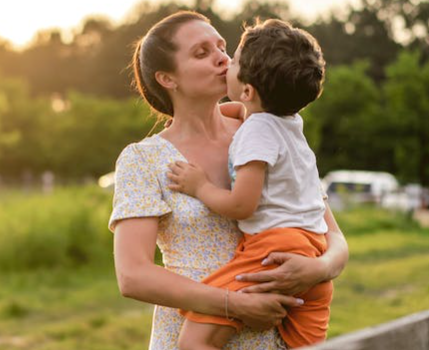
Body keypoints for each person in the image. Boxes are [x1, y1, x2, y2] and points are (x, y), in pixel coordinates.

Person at [109, 10, 349, 350]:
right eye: (201, 53)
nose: (222, 59)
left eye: (222, 47)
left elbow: (334, 237)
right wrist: (233, 303)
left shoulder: (266, 131)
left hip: (273, 338)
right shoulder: (144, 159)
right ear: (167, 79)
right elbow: (133, 276)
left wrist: (319, 269)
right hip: (194, 334)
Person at [168, 19, 333, 350]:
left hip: (273, 251)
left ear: (248, 91)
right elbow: (240, 113)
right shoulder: (286, 121)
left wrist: (199, 187)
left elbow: (243, 205)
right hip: (312, 246)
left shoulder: (256, 132)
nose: (228, 62)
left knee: (193, 342)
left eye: (235, 61)